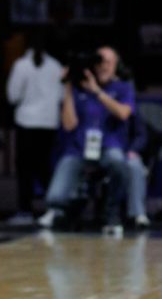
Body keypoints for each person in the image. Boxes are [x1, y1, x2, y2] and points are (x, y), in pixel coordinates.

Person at [37, 46, 134, 236]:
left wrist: (97, 91)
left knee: (119, 163)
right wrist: (68, 86)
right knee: (55, 197)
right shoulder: (79, 88)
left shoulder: (122, 87)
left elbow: (123, 113)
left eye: (108, 62)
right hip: (79, 149)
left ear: (116, 65)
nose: (103, 67)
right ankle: (67, 210)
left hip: (108, 147)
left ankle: (111, 213)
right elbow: (68, 124)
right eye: (100, 62)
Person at [5, 34, 64, 225]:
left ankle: (25, 210)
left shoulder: (21, 66)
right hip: (48, 123)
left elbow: (13, 95)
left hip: (27, 122)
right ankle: (52, 208)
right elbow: (61, 96)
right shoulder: (55, 66)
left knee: (25, 168)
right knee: (44, 167)